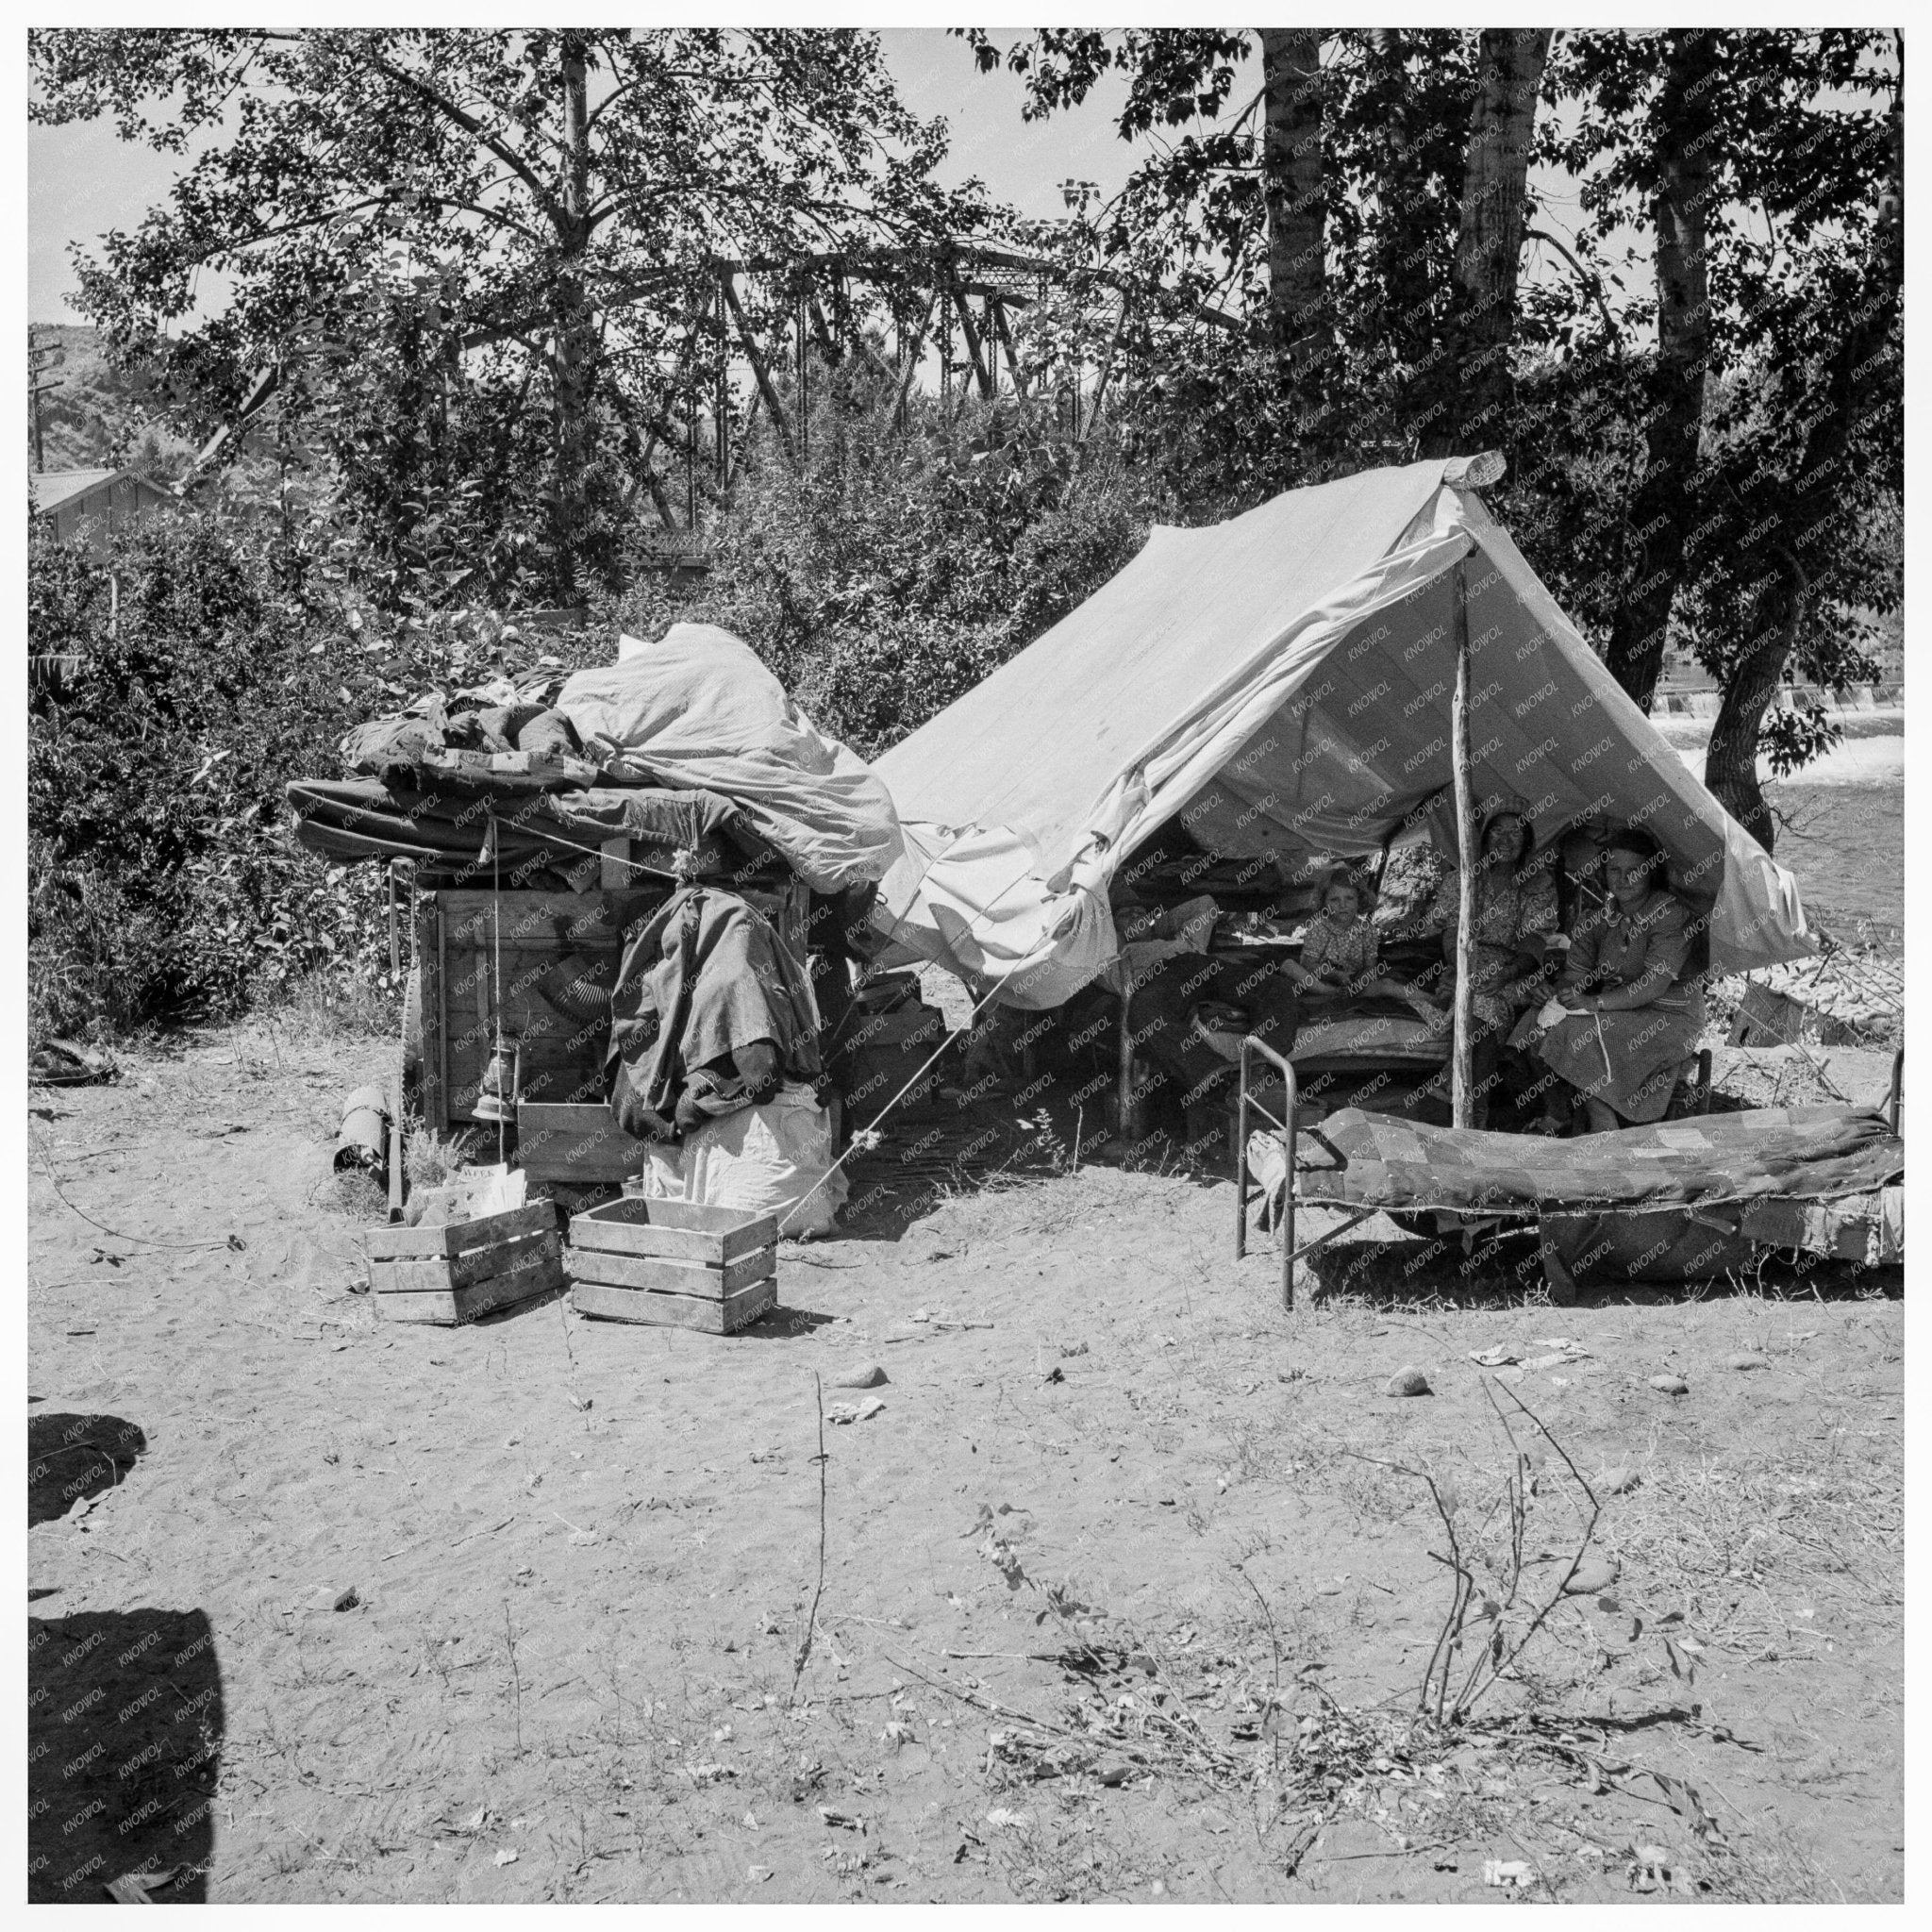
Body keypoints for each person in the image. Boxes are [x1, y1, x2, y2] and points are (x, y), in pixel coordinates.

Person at [1510, 826, 1707, 1133]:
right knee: (1536, 1020)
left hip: (1668, 1015)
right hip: (1618, 1009)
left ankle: (1604, 1124)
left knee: (1579, 1033)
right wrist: (1557, 994)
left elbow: (1653, 985)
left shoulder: (1670, 915)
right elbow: (1574, 975)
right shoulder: (1600, 918)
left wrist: (1594, 1002)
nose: (1623, 878)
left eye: (1635, 870)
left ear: (1651, 872)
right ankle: (1558, 1113)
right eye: (1614, 869)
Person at [1417, 798, 1559, 1124]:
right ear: (1482, 838)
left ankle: (1456, 1096)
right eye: (1497, 832)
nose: (1506, 841)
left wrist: (1506, 973)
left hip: (1514, 972)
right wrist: (1464, 968)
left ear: (1526, 841)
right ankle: (1473, 1110)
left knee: (1481, 1004)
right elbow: (1450, 933)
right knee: (1477, 1002)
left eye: (1515, 834)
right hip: (1465, 964)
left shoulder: (1536, 884)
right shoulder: (1461, 880)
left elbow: (1534, 943)